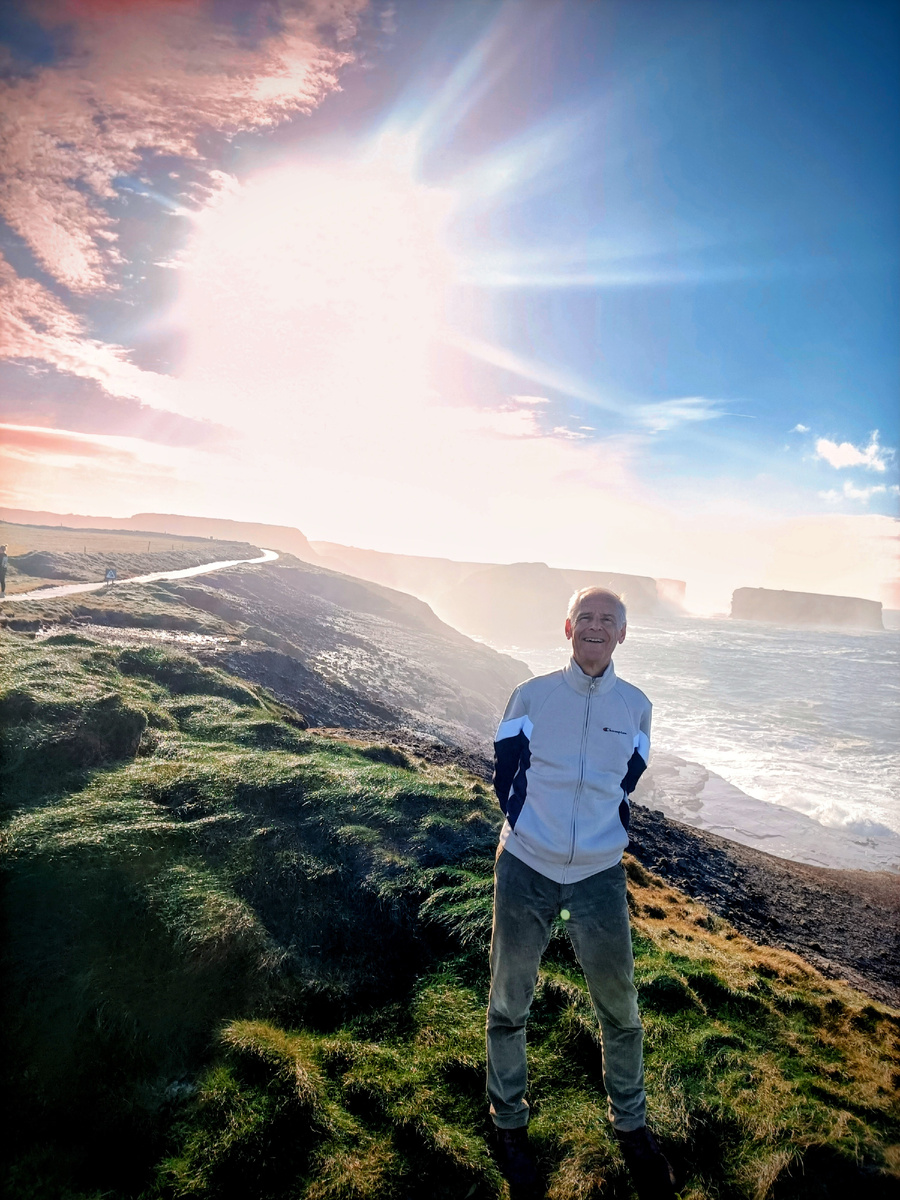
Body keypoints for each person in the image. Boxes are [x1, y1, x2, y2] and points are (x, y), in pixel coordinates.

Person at [487, 586, 675, 1199]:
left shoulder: (638, 706)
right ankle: (508, 1122)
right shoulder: (532, 695)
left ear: (623, 635)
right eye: (586, 618)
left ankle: (631, 1123)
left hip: (598, 876)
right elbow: (504, 772)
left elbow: (629, 779)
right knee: (510, 1000)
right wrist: (531, 831)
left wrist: (597, 838)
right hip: (526, 867)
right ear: (568, 627)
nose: (596, 627)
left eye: (609, 621)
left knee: (620, 1008)